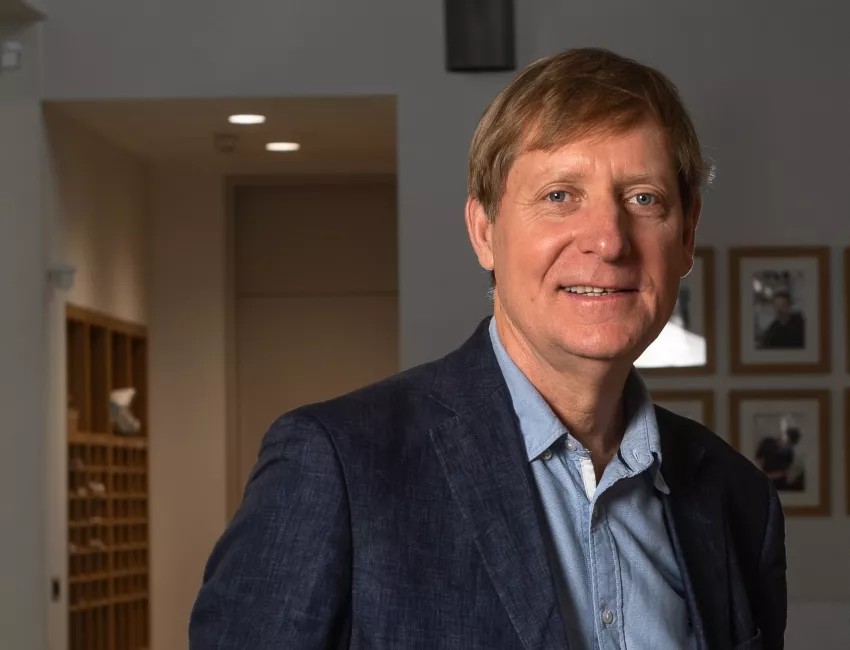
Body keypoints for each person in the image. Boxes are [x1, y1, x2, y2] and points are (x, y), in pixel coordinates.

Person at [189, 48, 787, 650]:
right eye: (560, 196)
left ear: (686, 238)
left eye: (643, 199)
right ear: (484, 232)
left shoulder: (740, 502)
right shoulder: (337, 467)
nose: (608, 241)